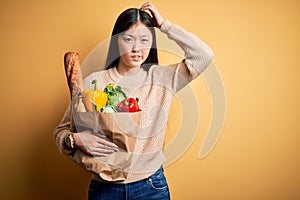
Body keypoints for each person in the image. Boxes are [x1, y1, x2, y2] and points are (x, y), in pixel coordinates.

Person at [53, 2, 214, 200]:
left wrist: (165, 26)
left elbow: (203, 55)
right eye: (129, 39)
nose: (137, 48)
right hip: (105, 190)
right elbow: (60, 132)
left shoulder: (163, 79)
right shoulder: (94, 82)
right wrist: (76, 139)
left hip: (151, 187)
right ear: (117, 41)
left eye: (145, 40)